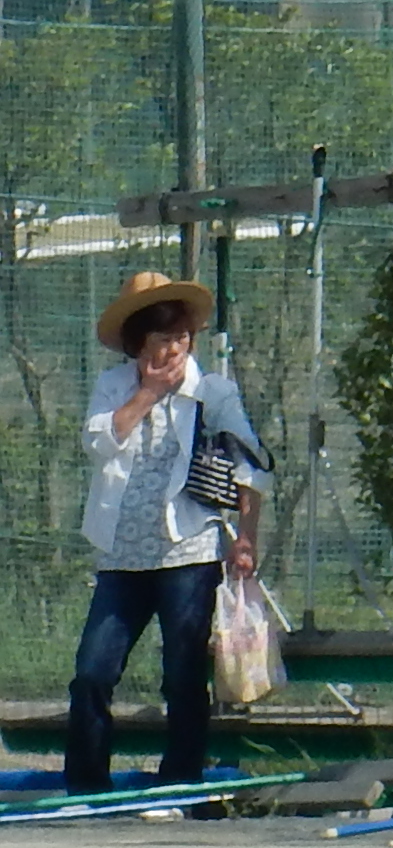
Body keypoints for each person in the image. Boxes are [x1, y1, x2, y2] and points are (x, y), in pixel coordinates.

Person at [72, 271, 264, 799]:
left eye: (180, 337)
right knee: (93, 672)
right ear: (138, 344)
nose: (173, 348)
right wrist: (147, 392)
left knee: (182, 675)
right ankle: (84, 789)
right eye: (161, 339)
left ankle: (181, 787)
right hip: (121, 555)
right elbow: (98, 443)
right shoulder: (114, 387)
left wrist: (245, 537)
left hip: (189, 550)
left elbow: (251, 468)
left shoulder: (213, 391)